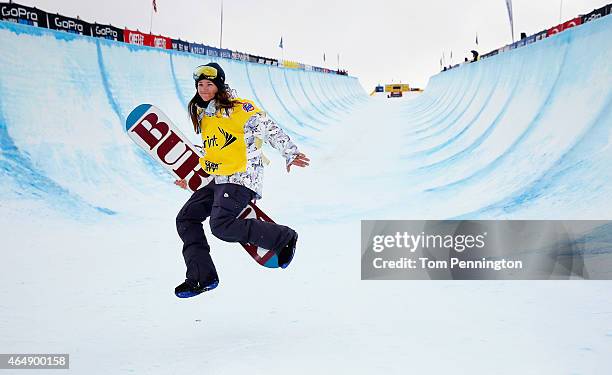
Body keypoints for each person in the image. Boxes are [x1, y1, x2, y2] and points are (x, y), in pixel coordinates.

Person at [174, 62, 310, 298]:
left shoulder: (239, 108)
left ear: (219, 85)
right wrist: (191, 176)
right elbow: (212, 150)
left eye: (209, 84)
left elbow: (269, 128)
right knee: (186, 218)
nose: (204, 89)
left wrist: (291, 153)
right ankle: (202, 276)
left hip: (241, 176)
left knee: (221, 226)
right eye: (200, 85)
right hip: (218, 178)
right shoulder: (203, 114)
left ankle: (285, 237)